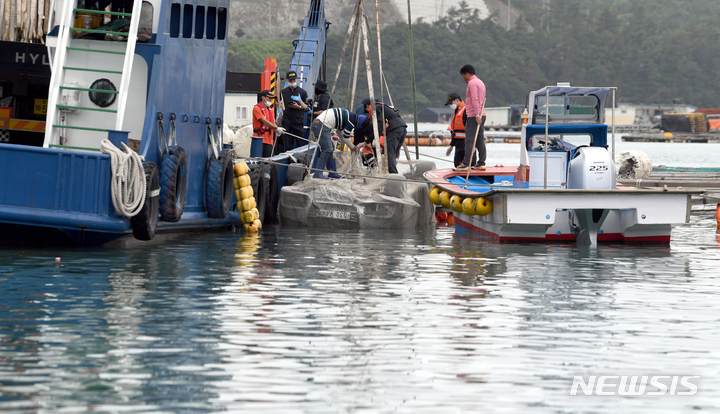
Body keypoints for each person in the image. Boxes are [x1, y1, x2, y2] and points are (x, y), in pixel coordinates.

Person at [311, 107, 360, 179]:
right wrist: (352, 147)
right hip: (321, 124)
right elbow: (346, 137)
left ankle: (332, 172)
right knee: (327, 149)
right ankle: (318, 173)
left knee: (331, 148)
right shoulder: (350, 122)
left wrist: (350, 145)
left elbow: (339, 133)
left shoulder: (347, 117)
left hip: (320, 124)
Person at [364, 99, 406, 174]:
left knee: (390, 153)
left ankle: (393, 175)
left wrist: (372, 139)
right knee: (394, 152)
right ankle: (393, 172)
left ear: (367, 106)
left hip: (394, 130)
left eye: (367, 110)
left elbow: (380, 123)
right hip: (402, 128)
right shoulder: (384, 107)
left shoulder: (375, 108)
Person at [457, 64, 487, 171]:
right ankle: (481, 162)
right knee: (479, 139)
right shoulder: (480, 82)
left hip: (474, 115)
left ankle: (466, 164)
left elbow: (475, 99)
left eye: (463, 76)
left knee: (469, 140)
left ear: (467, 74)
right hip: (482, 114)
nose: (464, 79)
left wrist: (477, 115)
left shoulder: (472, 83)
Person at [444, 92, 476, 167]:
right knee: (457, 165)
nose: (451, 105)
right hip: (458, 145)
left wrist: (473, 145)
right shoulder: (457, 111)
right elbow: (455, 132)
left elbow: (472, 129)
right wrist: (451, 145)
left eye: (451, 103)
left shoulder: (466, 111)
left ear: (457, 100)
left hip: (467, 144)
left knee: (470, 165)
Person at [280, 70, 309, 151]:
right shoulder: (283, 92)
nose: (292, 82)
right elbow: (277, 101)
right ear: (287, 80)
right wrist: (280, 105)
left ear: (296, 79)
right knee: (287, 144)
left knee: (301, 143)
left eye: (294, 80)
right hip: (286, 121)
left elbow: (306, 107)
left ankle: (301, 160)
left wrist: (298, 106)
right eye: (290, 80)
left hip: (298, 121)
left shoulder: (303, 92)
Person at [252, 90, 285, 157]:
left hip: (269, 141)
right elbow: (264, 121)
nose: (271, 100)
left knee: (270, 161)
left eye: (272, 98)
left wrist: (277, 131)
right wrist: (277, 128)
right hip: (259, 139)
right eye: (269, 98)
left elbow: (273, 122)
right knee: (257, 160)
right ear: (263, 98)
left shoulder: (270, 110)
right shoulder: (257, 108)